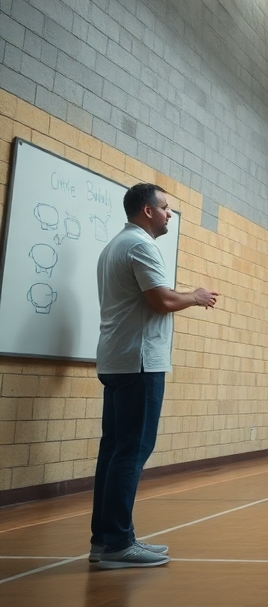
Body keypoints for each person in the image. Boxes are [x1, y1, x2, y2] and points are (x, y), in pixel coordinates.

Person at [90, 183, 219, 569]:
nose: (169, 214)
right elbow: (161, 301)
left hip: (117, 360)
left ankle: (108, 539)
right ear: (147, 211)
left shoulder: (115, 245)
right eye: (165, 208)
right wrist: (195, 296)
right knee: (131, 450)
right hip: (139, 362)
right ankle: (117, 544)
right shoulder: (142, 246)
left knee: (114, 450)